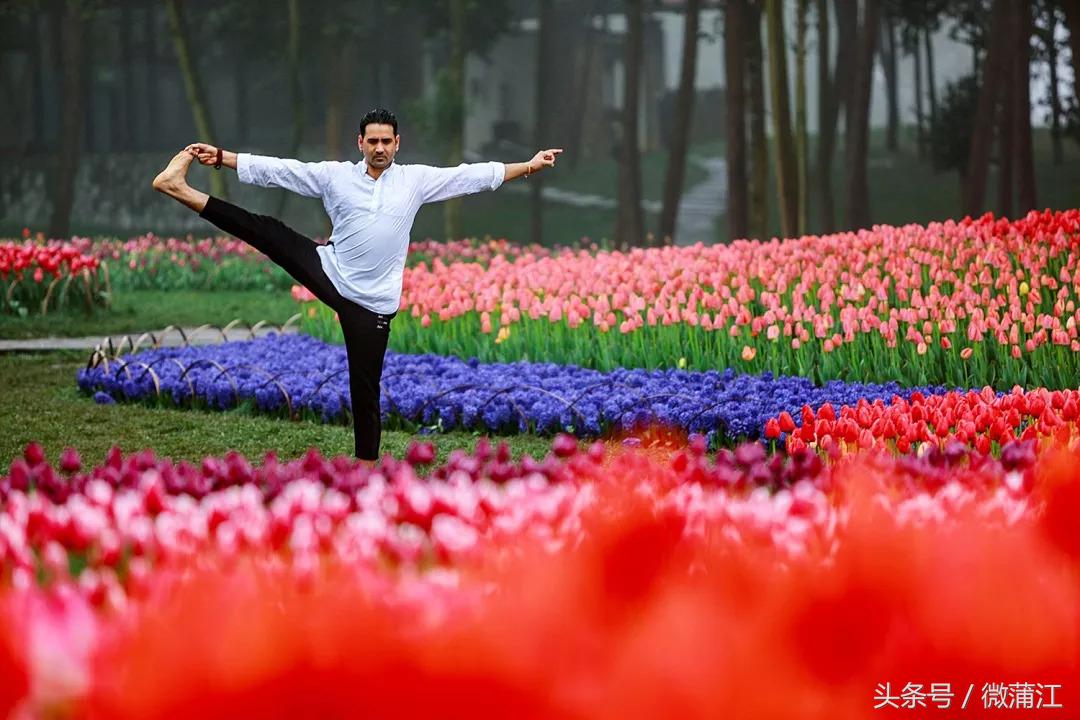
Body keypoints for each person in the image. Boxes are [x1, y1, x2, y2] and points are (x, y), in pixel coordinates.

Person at [152, 107, 562, 463]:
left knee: (365, 387)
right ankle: (180, 189)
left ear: (397, 143)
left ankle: (365, 468)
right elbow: (281, 171)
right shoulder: (335, 177)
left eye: (386, 141)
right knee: (268, 231)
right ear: (360, 143)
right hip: (330, 271)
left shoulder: (414, 181)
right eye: (372, 141)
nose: (379, 148)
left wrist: (529, 165)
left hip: (375, 305)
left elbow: (470, 176)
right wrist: (223, 158)